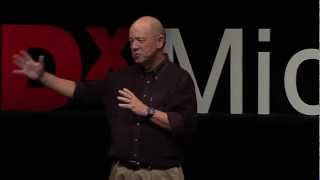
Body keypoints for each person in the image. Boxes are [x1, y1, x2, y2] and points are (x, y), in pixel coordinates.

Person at [12, 16, 197, 180]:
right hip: (122, 173)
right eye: (131, 40)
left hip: (161, 174)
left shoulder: (179, 79)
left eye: (140, 40)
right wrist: (43, 77)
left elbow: (183, 124)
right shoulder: (119, 78)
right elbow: (79, 90)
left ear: (160, 41)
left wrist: (146, 111)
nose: (134, 46)